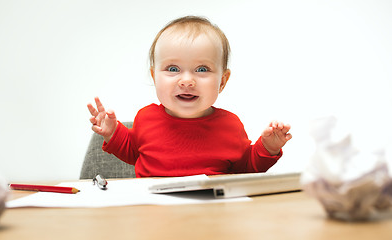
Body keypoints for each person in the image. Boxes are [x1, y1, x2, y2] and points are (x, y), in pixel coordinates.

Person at [87, 16, 292, 177]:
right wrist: (112, 132)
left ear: (222, 81)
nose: (186, 81)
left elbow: (246, 167)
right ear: (154, 76)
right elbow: (132, 151)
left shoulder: (230, 125)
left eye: (202, 69)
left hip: (212, 212)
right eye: (173, 68)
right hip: (155, 210)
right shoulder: (146, 118)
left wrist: (268, 147)